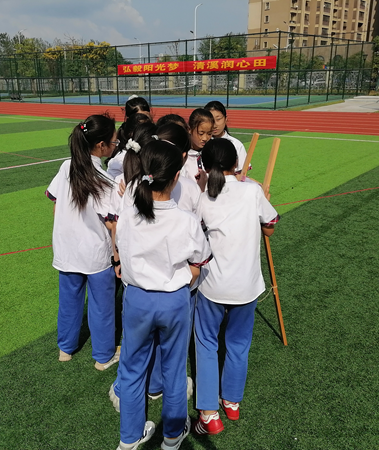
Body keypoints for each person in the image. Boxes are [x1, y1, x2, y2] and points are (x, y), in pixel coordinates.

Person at [115, 140, 212, 450]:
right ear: (175, 177)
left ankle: (129, 439)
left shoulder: (129, 214)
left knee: (132, 369)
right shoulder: (186, 221)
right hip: (174, 300)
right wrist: (185, 278)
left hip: (137, 299)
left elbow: (121, 249)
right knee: (173, 368)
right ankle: (172, 436)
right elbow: (200, 260)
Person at [192, 138, 279, 435]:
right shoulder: (252, 191)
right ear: (236, 164)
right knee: (238, 344)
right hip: (246, 285)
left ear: (204, 166)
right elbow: (270, 226)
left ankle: (209, 413)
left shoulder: (204, 198)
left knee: (206, 344)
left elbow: (195, 233)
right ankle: (231, 402)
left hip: (212, 285)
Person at [45, 114, 120, 371]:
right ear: (101, 145)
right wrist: (118, 254)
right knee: (101, 306)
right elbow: (111, 223)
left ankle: (65, 349)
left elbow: (55, 203)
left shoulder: (66, 166)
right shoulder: (105, 179)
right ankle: (103, 356)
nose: (115, 146)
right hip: (95, 254)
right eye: (113, 142)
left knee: (69, 301)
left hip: (67, 249)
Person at [204, 100, 248, 171]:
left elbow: (242, 173)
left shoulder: (236, 145)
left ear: (226, 119)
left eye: (218, 119)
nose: (214, 125)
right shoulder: (202, 143)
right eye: (211, 120)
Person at [108, 111, 153, 179]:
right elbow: (113, 184)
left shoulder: (152, 154)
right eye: (148, 132)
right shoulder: (118, 162)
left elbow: (153, 177)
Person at [183, 108, 214, 192]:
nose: (205, 138)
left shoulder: (213, 152)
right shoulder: (182, 155)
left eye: (209, 133)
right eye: (201, 133)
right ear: (189, 129)